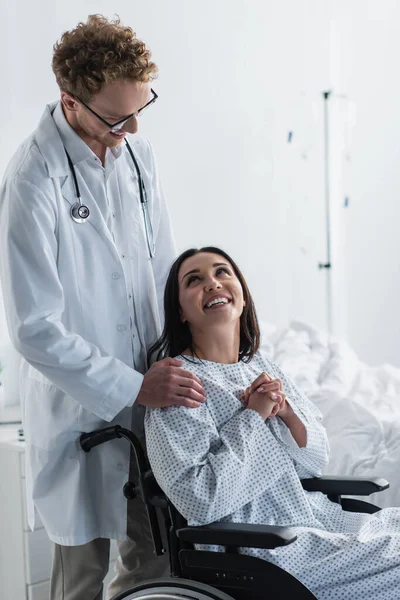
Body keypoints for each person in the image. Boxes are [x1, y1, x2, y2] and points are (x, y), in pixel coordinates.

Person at [0, 15, 205, 600]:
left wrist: (185, 361)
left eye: (143, 107)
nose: (134, 126)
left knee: (152, 563)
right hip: (79, 411)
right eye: (118, 116)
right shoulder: (32, 181)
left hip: (150, 395)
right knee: (81, 580)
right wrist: (130, 387)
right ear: (70, 101)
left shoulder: (137, 156)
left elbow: (162, 268)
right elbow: (35, 328)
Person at [145, 246, 400, 600]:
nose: (213, 284)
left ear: (243, 296)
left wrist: (286, 413)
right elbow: (200, 500)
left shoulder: (259, 367)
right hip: (264, 548)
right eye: (195, 280)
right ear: (180, 312)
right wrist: (253, 415)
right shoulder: (179, 384)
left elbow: (316, 461)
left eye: (222, 273)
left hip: (313, 519)